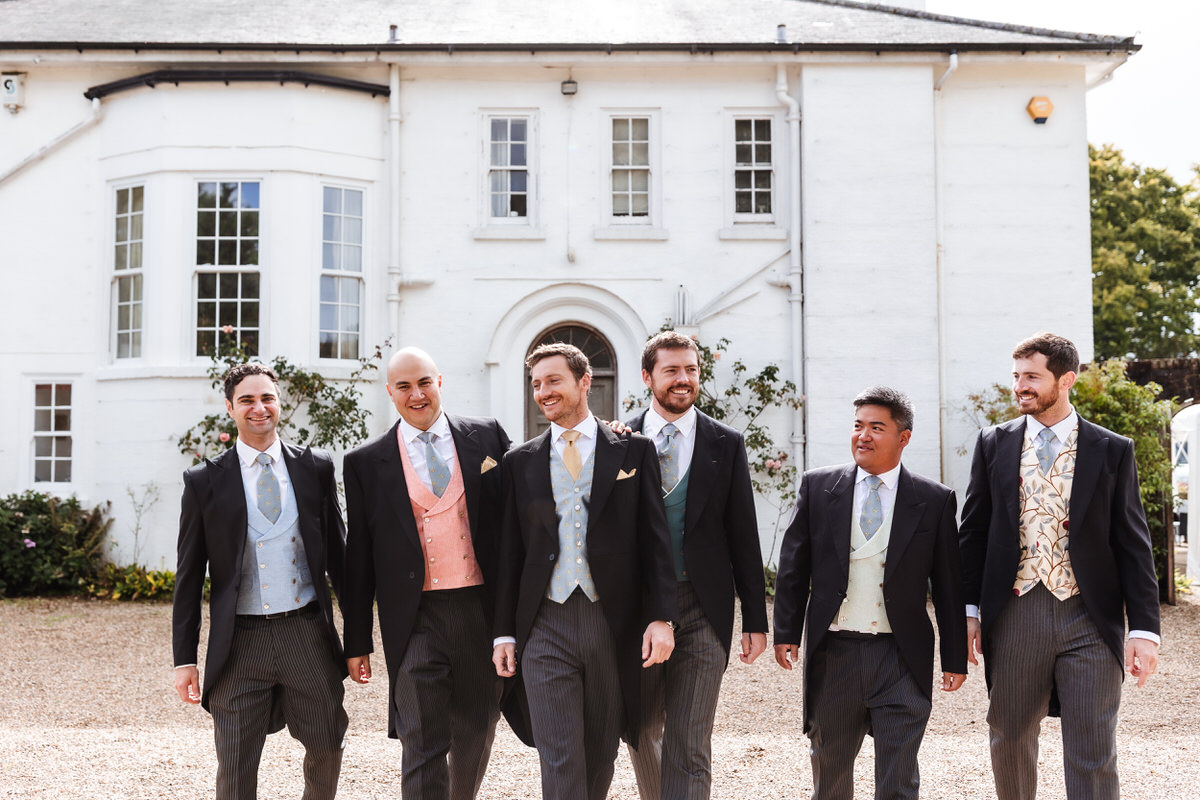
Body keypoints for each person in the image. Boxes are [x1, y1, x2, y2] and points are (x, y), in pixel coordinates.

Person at [959, 332, 1161, 800]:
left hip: (1090, 616)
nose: (1020, 386)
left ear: (1065, 379)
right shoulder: (993, 443)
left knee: (1092, 747)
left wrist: (1145, 630)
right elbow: (972, 533)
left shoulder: (1113, 449)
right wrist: (969, 609)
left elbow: (1134, 544)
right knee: (1009, 736)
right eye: (1016, 376)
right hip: (1016, 611)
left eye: (1032, 376)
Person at [491, 341, 678, 800]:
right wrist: (503, 633)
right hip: (544, 622)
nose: (543, 392)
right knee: (558, 753)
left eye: (553, 380)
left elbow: (656, 541)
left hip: (610, 620)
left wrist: (660, 616)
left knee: (600, 752)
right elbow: (509, 554)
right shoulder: (521, 461)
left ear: (584, 382)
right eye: (536, 384)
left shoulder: (633, 452)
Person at [341, 347, 520, 799]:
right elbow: (358, 560)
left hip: (481, 611)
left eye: (423, 382)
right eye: (403, 386)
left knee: (477, 730)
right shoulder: (366, 462)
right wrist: (357, 642)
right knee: (420, 737)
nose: (415, 394)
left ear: (439, 382)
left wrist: (605, 434)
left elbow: (536, 476)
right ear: (390, 392)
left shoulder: (487, 437)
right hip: (415, 616)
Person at [773, 386, 966, 800]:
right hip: (835, 652)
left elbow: (950, 586)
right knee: (831, 774)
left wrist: (954, 657)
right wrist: (786, 633)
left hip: (901, 656)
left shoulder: (934, 500)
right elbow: (793, 567)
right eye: (858, 425)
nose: (863, 435)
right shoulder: (819, 487)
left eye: (877, 427)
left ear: (904, 437)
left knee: (899, 780)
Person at [173, 363, 348, 800]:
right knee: (234, 762)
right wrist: (184, 659)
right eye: (247, 400)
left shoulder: (316, 469)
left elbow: (341, 561)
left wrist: (358, 640)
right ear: (230, 408)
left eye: (267, 397)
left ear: (279, 403)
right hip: (239, 641)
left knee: (327, 742)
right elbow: (189, 576)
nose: (259, 407)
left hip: (305, 630)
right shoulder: (204, 481)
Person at [622, 331, 769, 800]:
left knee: (689, 738)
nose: (683, 380)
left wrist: (755, 618)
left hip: (704, 606)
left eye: (691, 370)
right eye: (672, 370)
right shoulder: (617, 440)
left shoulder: (724, 443)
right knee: (642, 730)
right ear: (648, 377)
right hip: (638, 605)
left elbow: (743, 532)